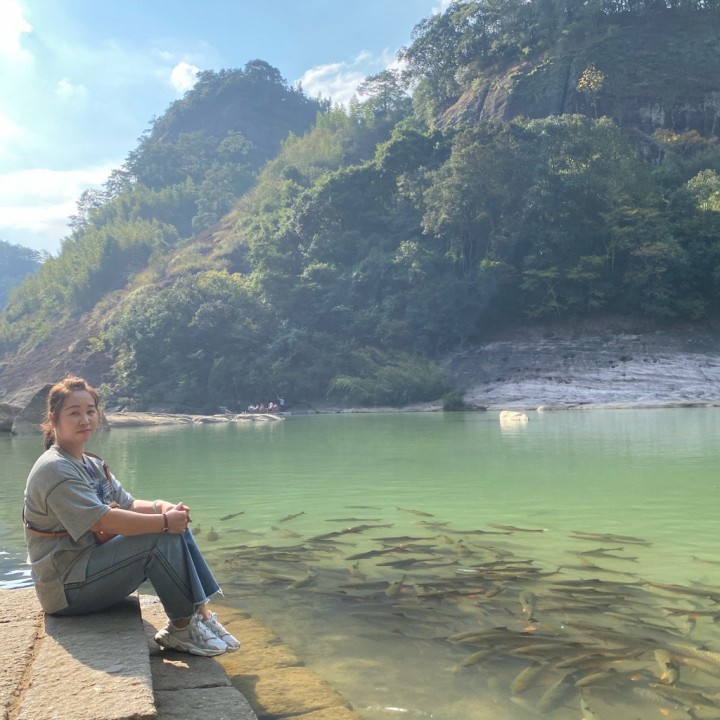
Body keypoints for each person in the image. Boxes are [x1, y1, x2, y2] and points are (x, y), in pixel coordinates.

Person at [23, 376, 240, 657]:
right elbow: (104, 520)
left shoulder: (90, 463)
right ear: (54, 419)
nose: (85, 420)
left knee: (175, 524)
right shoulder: (55, 469)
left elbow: (128, 504)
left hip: (89, 568)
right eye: (74, 413)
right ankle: (181, 627)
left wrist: (163, 508)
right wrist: (163, 523)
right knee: (160, 534)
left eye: (90, 411)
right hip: (66, 588)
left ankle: (202, 615)